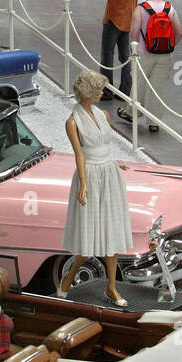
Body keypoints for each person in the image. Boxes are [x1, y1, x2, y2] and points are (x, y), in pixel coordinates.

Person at [58, 71, 134, 306]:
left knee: (111, 229)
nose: (103, 93)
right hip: (90, 174)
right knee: (89, 233)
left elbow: (105, 146)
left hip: (108, 173)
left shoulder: (104, 115)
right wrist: (83, 183)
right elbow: (79, 154)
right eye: (99, 89)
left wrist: (116, 165)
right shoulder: (73, 122)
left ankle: (111, 287)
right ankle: (68, 278)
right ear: (89, 92)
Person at [128, 0, 182, 131]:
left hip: (144, 54)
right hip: (165, 55)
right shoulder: (169, 8)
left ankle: (132, 113)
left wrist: (134, 51)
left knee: (138, 84)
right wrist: (169, 46)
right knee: (157, 88)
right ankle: (154, 122)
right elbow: (179, 33)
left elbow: (134, 33)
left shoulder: (140, 8)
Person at [94, 0, 138, 110]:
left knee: (107, 56)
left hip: (114, 20)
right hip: (127, 20)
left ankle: (107, 90)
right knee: (125, 57)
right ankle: (125, 89)